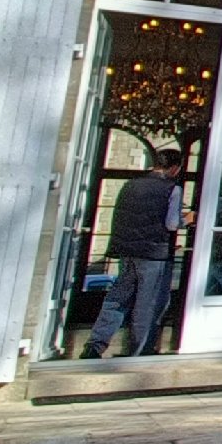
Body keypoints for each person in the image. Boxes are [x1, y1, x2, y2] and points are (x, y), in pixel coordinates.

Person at [82, 149, 188, 358]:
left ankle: (95, 345)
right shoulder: (172, 189)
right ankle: (140, 352)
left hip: (128, 251)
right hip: (153, 253)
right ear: (175, 168)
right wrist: (187, 220)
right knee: (148, 306)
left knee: (117, 299)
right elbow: (172, 223)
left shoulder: (130, 185)